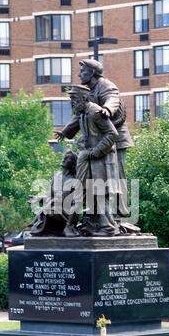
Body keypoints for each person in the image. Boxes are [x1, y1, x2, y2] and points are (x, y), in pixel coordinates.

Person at [55, 59, 133, 219]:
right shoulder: (88, 91)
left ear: (92, 73)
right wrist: (65, 132)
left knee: (118, 176)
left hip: (115, 138)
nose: (79, 74)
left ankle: (121, 212)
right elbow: (80, 115)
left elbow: (114, 99)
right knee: (95, 176)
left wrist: (107, 110)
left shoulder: (105, 85)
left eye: (83, 71)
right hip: (97, 140)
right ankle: (96, 210)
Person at [62, 84, 120, 237]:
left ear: (84, 98)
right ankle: (105, 226)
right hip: (90, 158)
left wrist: (95, 152)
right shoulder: (83, 113)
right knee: (95, 193)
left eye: (74, 100)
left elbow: (112, 134)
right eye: (71, 101)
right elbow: (75, 127)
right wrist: (65, 132)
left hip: (101, 158)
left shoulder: (94, 112)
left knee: (100, 193)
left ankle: (107, 228)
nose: (72, 104)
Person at [29, 151, 78, 236]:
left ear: (73, 163)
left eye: (68, 158)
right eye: (65, 156)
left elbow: (76, 203)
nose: (64, 159)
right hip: (53, 207)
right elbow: (49, 196)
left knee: (51, 207)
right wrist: (39, 198)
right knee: (51, 206)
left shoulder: (75, 179)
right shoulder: (57, 176)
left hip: (67, 214)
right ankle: (42, 226)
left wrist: (69, 224)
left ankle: (40, 222)